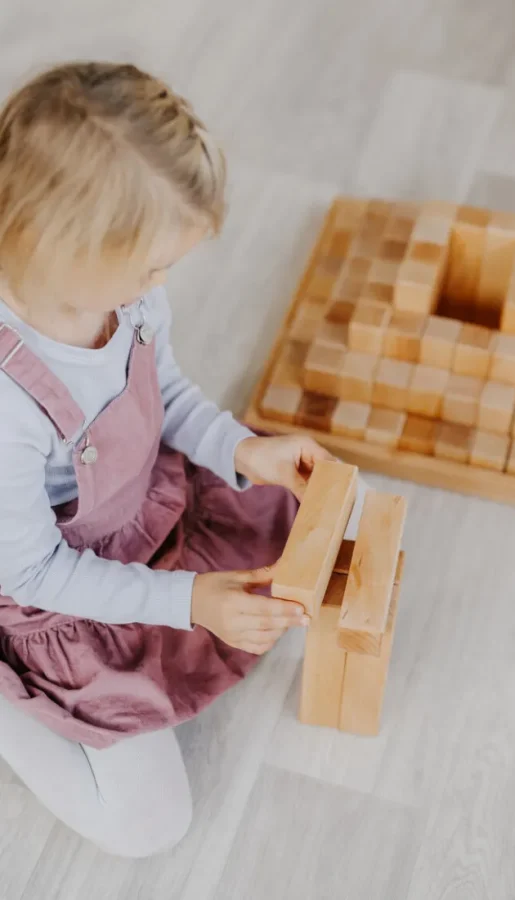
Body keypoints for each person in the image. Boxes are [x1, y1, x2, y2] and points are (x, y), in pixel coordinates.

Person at [0, 61, 332, 857]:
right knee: (149, 825)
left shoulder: (126, 298)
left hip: (142, 509)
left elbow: (165, 393)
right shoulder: (8, 403)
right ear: (60, 244)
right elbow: (32, 573)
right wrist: (189, 603)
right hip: (48, 589)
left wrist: (241, 448)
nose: (159, 284)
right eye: (150, 265)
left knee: (320, 507)